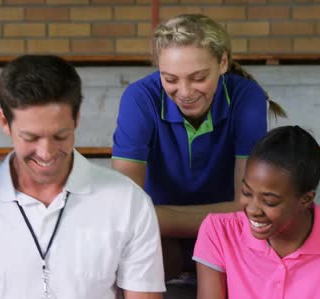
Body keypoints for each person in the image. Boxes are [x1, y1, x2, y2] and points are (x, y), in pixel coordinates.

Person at [0, 55, 168, 299]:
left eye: (60, 136)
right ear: (4, 121)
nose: (46, 153)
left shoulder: (128, 202)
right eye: (31, 138)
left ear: (77, 117)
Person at [111, 14, 285, 279]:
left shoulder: (246, 96)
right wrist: (152, 221)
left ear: (223, 62)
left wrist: (155, 218)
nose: (185, 91)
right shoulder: (139, 98)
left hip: (226, 236)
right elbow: (125, 211)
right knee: (127, 253)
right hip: (160, 239)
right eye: (170, 79)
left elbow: (248, 207)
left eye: (198, 77)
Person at [193, 126, 320, 299]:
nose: (252, 209)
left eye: (269, 201)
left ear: (306, 200)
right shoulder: (218, 232)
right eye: (246, 193)